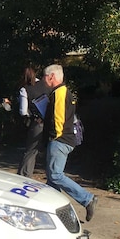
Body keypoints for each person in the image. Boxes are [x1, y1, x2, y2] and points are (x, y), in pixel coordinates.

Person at [43, 64, 97, 221]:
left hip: (60, 140)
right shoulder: (64, 92)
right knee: (52, 181)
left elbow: (59, 117)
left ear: (51, 76)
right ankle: (57, 215)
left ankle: (87, 199)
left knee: (55, 175)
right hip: (65, 139)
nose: (44, 80)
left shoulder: (60, 92)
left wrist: (55, 137)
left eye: (45, 77)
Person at [17, 66, 49, 178]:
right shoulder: (44, 84)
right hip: (50, 121)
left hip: (37, 123)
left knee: (31, 150)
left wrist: (30, 114)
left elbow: (23, 111)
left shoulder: (24, 89)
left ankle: (24, 176)